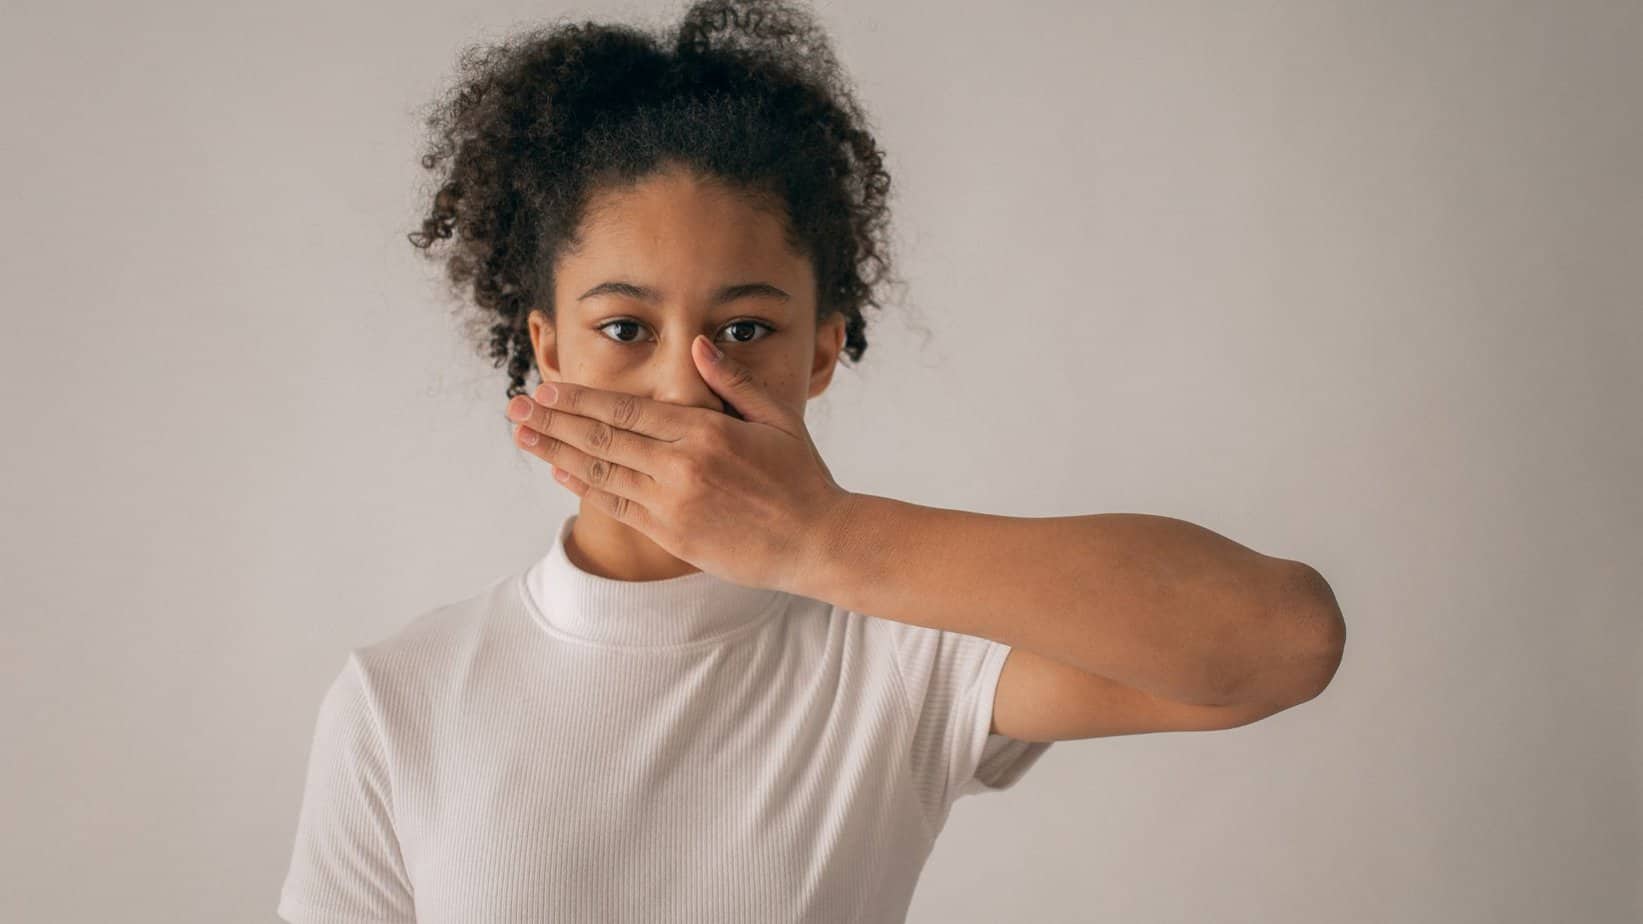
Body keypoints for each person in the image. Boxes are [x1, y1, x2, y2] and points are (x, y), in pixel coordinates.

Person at [278, 1, 1343, 921]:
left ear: (822, 351)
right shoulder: (400, 698)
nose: (683, 384)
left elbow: (1284, 641)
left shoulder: (899, 650)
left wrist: (822, 538)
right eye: (623, 328)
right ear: (545, 345)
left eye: (742, 331)